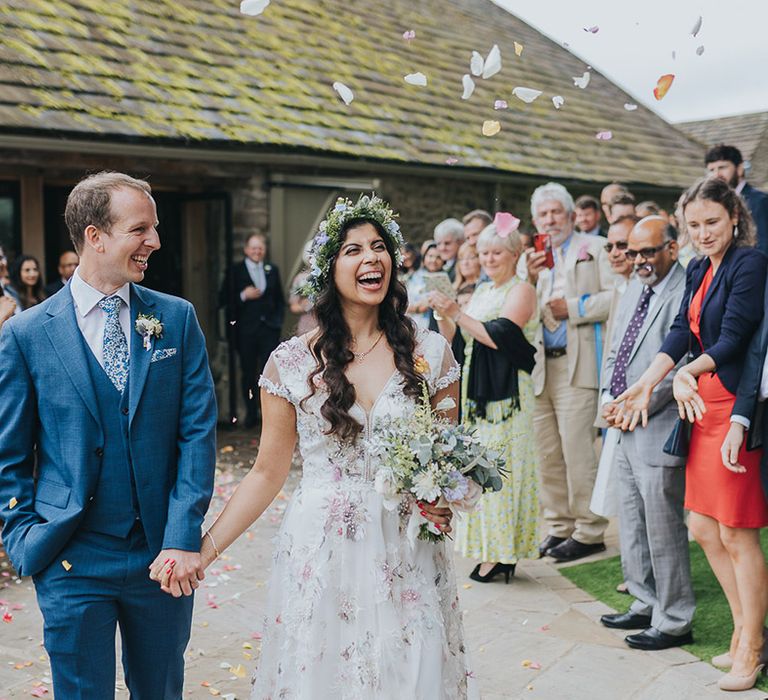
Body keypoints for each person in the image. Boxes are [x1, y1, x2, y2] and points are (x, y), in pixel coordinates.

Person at [172, 193, 478, 698]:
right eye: (353, 250)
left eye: (379, 247)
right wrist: (204, 550)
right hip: (324, 546)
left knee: (413, 669)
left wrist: (443, 498)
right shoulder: (290, 363)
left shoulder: (431, 353)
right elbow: (267, 473)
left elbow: (448, 458)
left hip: (405, 547)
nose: (371, 258)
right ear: (328, 270)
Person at [0, 171, 218, 698]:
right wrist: (23, 538)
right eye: (140, 229)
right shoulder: (26, 334)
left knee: (161, 691)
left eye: (157, 228)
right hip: (71, 558)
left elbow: (197, 435)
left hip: (163, 559)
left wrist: (182, 538)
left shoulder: (177, 319)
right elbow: (7, 456)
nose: (155, 242)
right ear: (95, 237)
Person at [614, 177, 768, 691]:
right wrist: (646, 382)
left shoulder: (750, 263)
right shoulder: (699, 268)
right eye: (695, 224)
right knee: (703, 527)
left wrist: (686, 372)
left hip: (730, 407)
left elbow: (734, 338)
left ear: (735, 219)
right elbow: (682, 330)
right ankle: (749, 628)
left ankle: (748, 643)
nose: (703, 233)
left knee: (737, 532)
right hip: (700, 410)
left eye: (713, 222)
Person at [599, 217, 695, 651]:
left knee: (662, 524)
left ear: (672, 249)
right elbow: (615, 347)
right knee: (632, 518)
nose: (637, 260)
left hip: (658, 418)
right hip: (621, 417)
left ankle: (675, 619)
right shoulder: (634, 287)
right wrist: (608, 396)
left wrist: (640, 402)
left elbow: (685, 357)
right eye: (632, 252)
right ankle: (643, 599)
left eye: (647, 252)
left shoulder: (683, 291)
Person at [429, 216, 539, 583]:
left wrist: (457, 312)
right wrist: (443, 315)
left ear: (513, 255)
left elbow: (501, 335)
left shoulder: (521, 289)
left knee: (505, 471)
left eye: (496, 253)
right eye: (484, 253)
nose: (489, 259)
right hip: (478, 390)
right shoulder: (483, 290)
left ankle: (504, 553)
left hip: (508, 396)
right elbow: (460, 337)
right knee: (479, 468)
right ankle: (489, 550)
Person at [526, 182, 613, 562]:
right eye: (543, 214)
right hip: (541, 366)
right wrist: (527, 280)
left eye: (555, 212)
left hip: (579, 363)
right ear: (535, 220)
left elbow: (617, 296)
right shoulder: (533, 260)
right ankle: (559, 526)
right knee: (547, 452)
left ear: (570, 215)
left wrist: (574, 307)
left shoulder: (596, 248)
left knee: (578, 451)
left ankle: (590, 529)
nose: (550, 220)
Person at [590, 214, 638, 519]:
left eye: (624, 246)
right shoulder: (621, 288)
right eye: (609, 246)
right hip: (616, 398)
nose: (615, 253)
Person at [220, 232, 285, 427]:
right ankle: (250, 414)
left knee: (269, 374)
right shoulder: (235, 271)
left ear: (264, 250)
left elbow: (279, 300)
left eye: (260, 248)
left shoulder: (271, 269)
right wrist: (243, 295)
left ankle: (269, 415)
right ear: (246, 250)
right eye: (253, 247)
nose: (257, 251)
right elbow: (223, 299)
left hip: (268, 330)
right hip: (245, 331)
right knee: (248, 372)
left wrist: (276, 323)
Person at [706, 144, 768, 255]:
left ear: (739, 169)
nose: (716, 174)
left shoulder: (759, 201)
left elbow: (764, 248)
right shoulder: (715, 204)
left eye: (722, 167)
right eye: (711, 170)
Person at [406, 241, 444, 329]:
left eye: (438, 257)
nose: (433, 260)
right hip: (410, 323)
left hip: (432, 326)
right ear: (424, 257)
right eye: (430, 256)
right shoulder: (415, 275)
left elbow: (425, 306)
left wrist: (413, 308)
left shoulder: (443, 278)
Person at [288, 241, 318, 337]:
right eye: (310, 256)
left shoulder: (329, 277)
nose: (313, 259)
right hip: (307, 325)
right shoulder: (300, 279)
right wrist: (305, 306)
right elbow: (293, 306)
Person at [454, 241, 482, 309]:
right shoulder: (454, 287)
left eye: (470, 258)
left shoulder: (483, 287)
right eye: (461, 259)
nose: (465, 263)